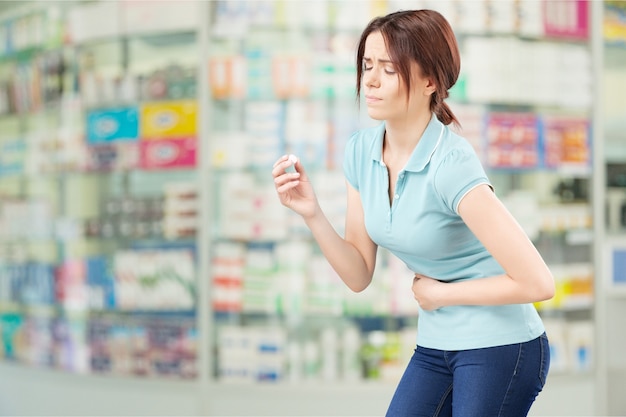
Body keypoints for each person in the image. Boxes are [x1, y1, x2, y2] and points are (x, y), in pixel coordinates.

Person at [272, 9, 554, 417]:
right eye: (367, 65)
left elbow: (538, 282)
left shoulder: (451, 163)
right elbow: (357, 274)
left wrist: (442, 294)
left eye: (388, 69)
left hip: (501, 343)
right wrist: (311, 213)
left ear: (430, 81)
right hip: (437, 343)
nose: (369, 80)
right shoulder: (360, 151)